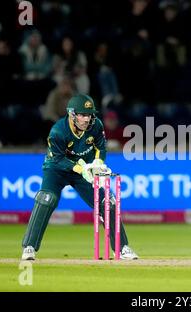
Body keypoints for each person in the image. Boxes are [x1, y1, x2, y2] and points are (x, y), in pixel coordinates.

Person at [21, 93, 138, 261]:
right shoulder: (58, 131)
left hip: (85, 170)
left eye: (89, 115)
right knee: (47, 199)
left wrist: (97, 163)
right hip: (56, 170)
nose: (86, 119)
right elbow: (58, 158)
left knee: (107, 201)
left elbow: (101, 147)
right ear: (72, 114)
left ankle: (121, 248)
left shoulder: (95, 125)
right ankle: (29, 246)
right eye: (82, 115)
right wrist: (79, 167)